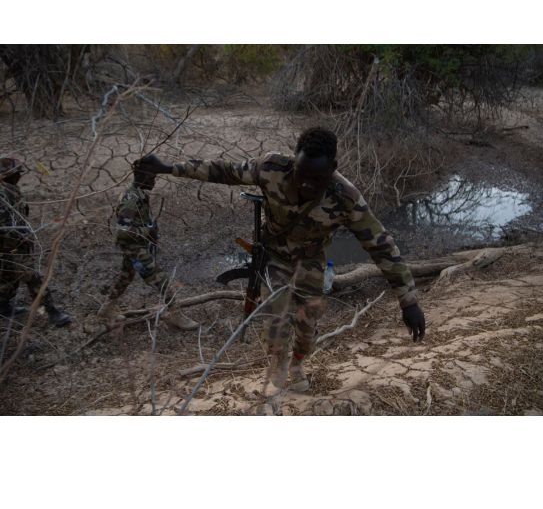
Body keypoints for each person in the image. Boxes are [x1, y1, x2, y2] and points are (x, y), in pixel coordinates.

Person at [137, 128, 425, 394]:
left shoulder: (346, 198)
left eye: (316, 179)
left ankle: (298, 363)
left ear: (332, 170)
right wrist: (167, 168)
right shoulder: (271, 168)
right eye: (301, 175)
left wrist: (408, 301)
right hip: (274, 255)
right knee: (276, 316)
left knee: (307, 328)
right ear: (293, 163)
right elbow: (223, 170)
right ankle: (279, 361)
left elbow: (382, 246)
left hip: (311, 261)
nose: (306, 185)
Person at [96, 156, 198, 331]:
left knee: (125, 277)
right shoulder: (131, 199)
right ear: (143, 176)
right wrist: (147, 232)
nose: (154, 181)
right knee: (161, 279)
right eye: (152, 177)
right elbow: (123, 232)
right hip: (134, 249)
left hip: (137, 247)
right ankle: (175, 314)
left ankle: (106, 309)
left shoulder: (140, 194)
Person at [0, 157, 71, 326]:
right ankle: (52, 312)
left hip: (13, 244)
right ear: (5, 176)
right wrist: (20, 240)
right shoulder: (2, 196)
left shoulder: (11, 190)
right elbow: (4, 227)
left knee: (7, 276)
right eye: (17, 173)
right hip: (11, 245)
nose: (20, 176)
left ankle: (3, 306)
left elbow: (18, 218)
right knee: (32, 277)